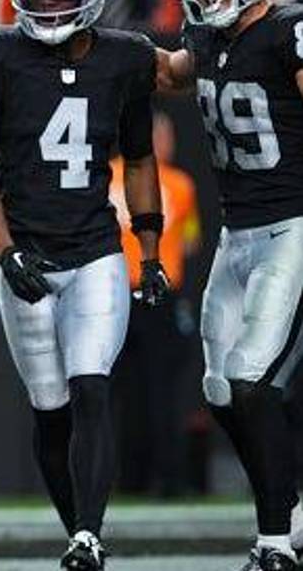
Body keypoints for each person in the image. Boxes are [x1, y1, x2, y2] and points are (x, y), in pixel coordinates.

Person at [0, 0, 168, 571]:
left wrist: (149, 247)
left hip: (96, 251)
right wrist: (4, 252)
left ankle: (88, 536)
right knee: (49, 409)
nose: (46, 8)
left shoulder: (124, 57)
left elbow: (137, 161)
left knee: (91, 388)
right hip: (26, 254)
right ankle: (74, 525)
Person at [154, 0, 303, 571]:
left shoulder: (288, 32)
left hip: (291, 226)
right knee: (221, 390)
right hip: (236, 234)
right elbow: (172, 73)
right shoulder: (207, 38)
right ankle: (290, 499)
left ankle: (274, 538)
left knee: (248, 382)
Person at [109, 112, 201, 499]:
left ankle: (129, 478)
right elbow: (192, 240)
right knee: (162, 390)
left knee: (120, 391)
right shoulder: (177, 184)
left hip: (114, 292)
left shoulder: (107, 175)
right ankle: (169, 478)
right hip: (157, 291)